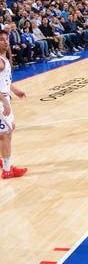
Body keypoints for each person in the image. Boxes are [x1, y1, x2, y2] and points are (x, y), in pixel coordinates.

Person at [0, 30, 28, 179]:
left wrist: (15, 91)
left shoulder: (4, 58)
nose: (6, 42)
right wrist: (4, 101)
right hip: (1, 101)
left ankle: (5, 164)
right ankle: (6, 170)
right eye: (2, 40)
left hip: (4, 98)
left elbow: (5, 80)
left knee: (8, 131)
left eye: (6, 39)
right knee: (5, 135)